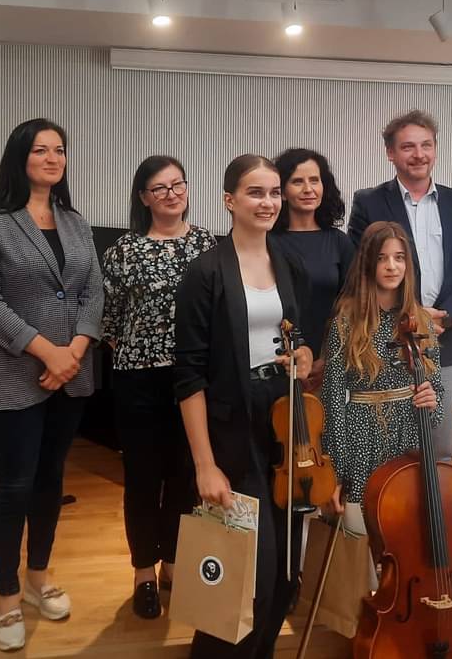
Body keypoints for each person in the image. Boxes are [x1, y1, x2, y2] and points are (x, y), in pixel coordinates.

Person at [0, 118, 104, 652]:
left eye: (59, 150)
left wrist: (76, 351)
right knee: (14, 487)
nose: (52, 158)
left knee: (50, 480)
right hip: (15, 372)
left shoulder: (75, 221)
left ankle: (38, 578)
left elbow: (93, 292)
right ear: (18, 157)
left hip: (72, 371)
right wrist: (49, 352)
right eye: (41, 149)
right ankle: (5, 599)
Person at [173, 154, 315, 658]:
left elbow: (298, 336)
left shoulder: (288, 261)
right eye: (256, 192)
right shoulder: (205, 272)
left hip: (283, 416)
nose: (269, 202)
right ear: (229, 200)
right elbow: (188, 376)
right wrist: (205, 465)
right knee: (248, 570)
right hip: (231, 424)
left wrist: (304, 355)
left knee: (284, 576)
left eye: (275, 192)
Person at [101, 155, 216, 619]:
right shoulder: (123, 251)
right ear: (143, 198)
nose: (172, 194)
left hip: (193, 379)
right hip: (139, 380)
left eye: (178, 184)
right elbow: (110, 320)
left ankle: (172, 560)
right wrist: (142, 351)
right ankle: (143, 571)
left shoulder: (207, 245)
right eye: (160, 188)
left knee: (185, 476)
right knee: (143, 478)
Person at [347, 109, 452, 462]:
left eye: (426, 145)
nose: (419, 154)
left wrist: (446, 316)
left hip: (445, 335)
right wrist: (407, 313)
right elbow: (359, 269)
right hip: (388, 336)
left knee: (439, 440)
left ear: (435, 149)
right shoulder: (369, 202)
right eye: (408, 147)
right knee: (389, 437)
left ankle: (437, 499)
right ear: (390, 153)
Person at [320, 221, 442, 544]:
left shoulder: (421, 321)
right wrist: (336, 470)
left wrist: (432, 400)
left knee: (407, 537)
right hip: (361, 437)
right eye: (382, 258)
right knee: (361, 538)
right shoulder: (346, 322)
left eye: (399, 258)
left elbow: (438, 395)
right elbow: (333, 401)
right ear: (368, 263)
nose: (392, 266)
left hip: (409, 439)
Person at [272, 147, 355, 392]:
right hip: (278, 361)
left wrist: (327, 359)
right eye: (297, 181)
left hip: (328, 363)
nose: (308, 189)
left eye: (314, 180)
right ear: (282, 192)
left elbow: (352, 307)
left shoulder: (339, 242)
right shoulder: (267, 241)